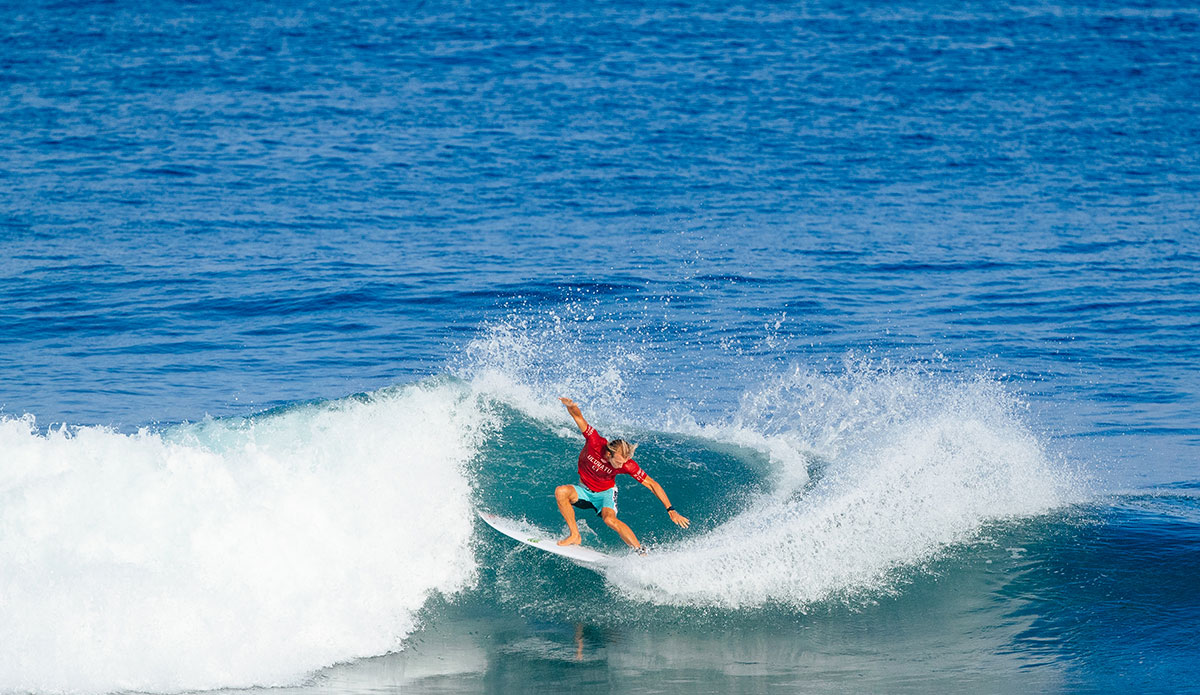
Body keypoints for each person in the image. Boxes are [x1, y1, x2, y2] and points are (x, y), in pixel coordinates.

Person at [555, 397, 690, 552]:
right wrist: (570, 406)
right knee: (561, 491)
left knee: (610, 520)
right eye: (618, 462)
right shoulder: (594, 442)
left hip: (605, 493)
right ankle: (575, 535)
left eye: (623, 462)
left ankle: (640, 551)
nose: (621, 466)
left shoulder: (627, 465)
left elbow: (652, 484)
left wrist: (670, 509)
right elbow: (578, 417)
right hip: (584, 490)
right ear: (609, 454)